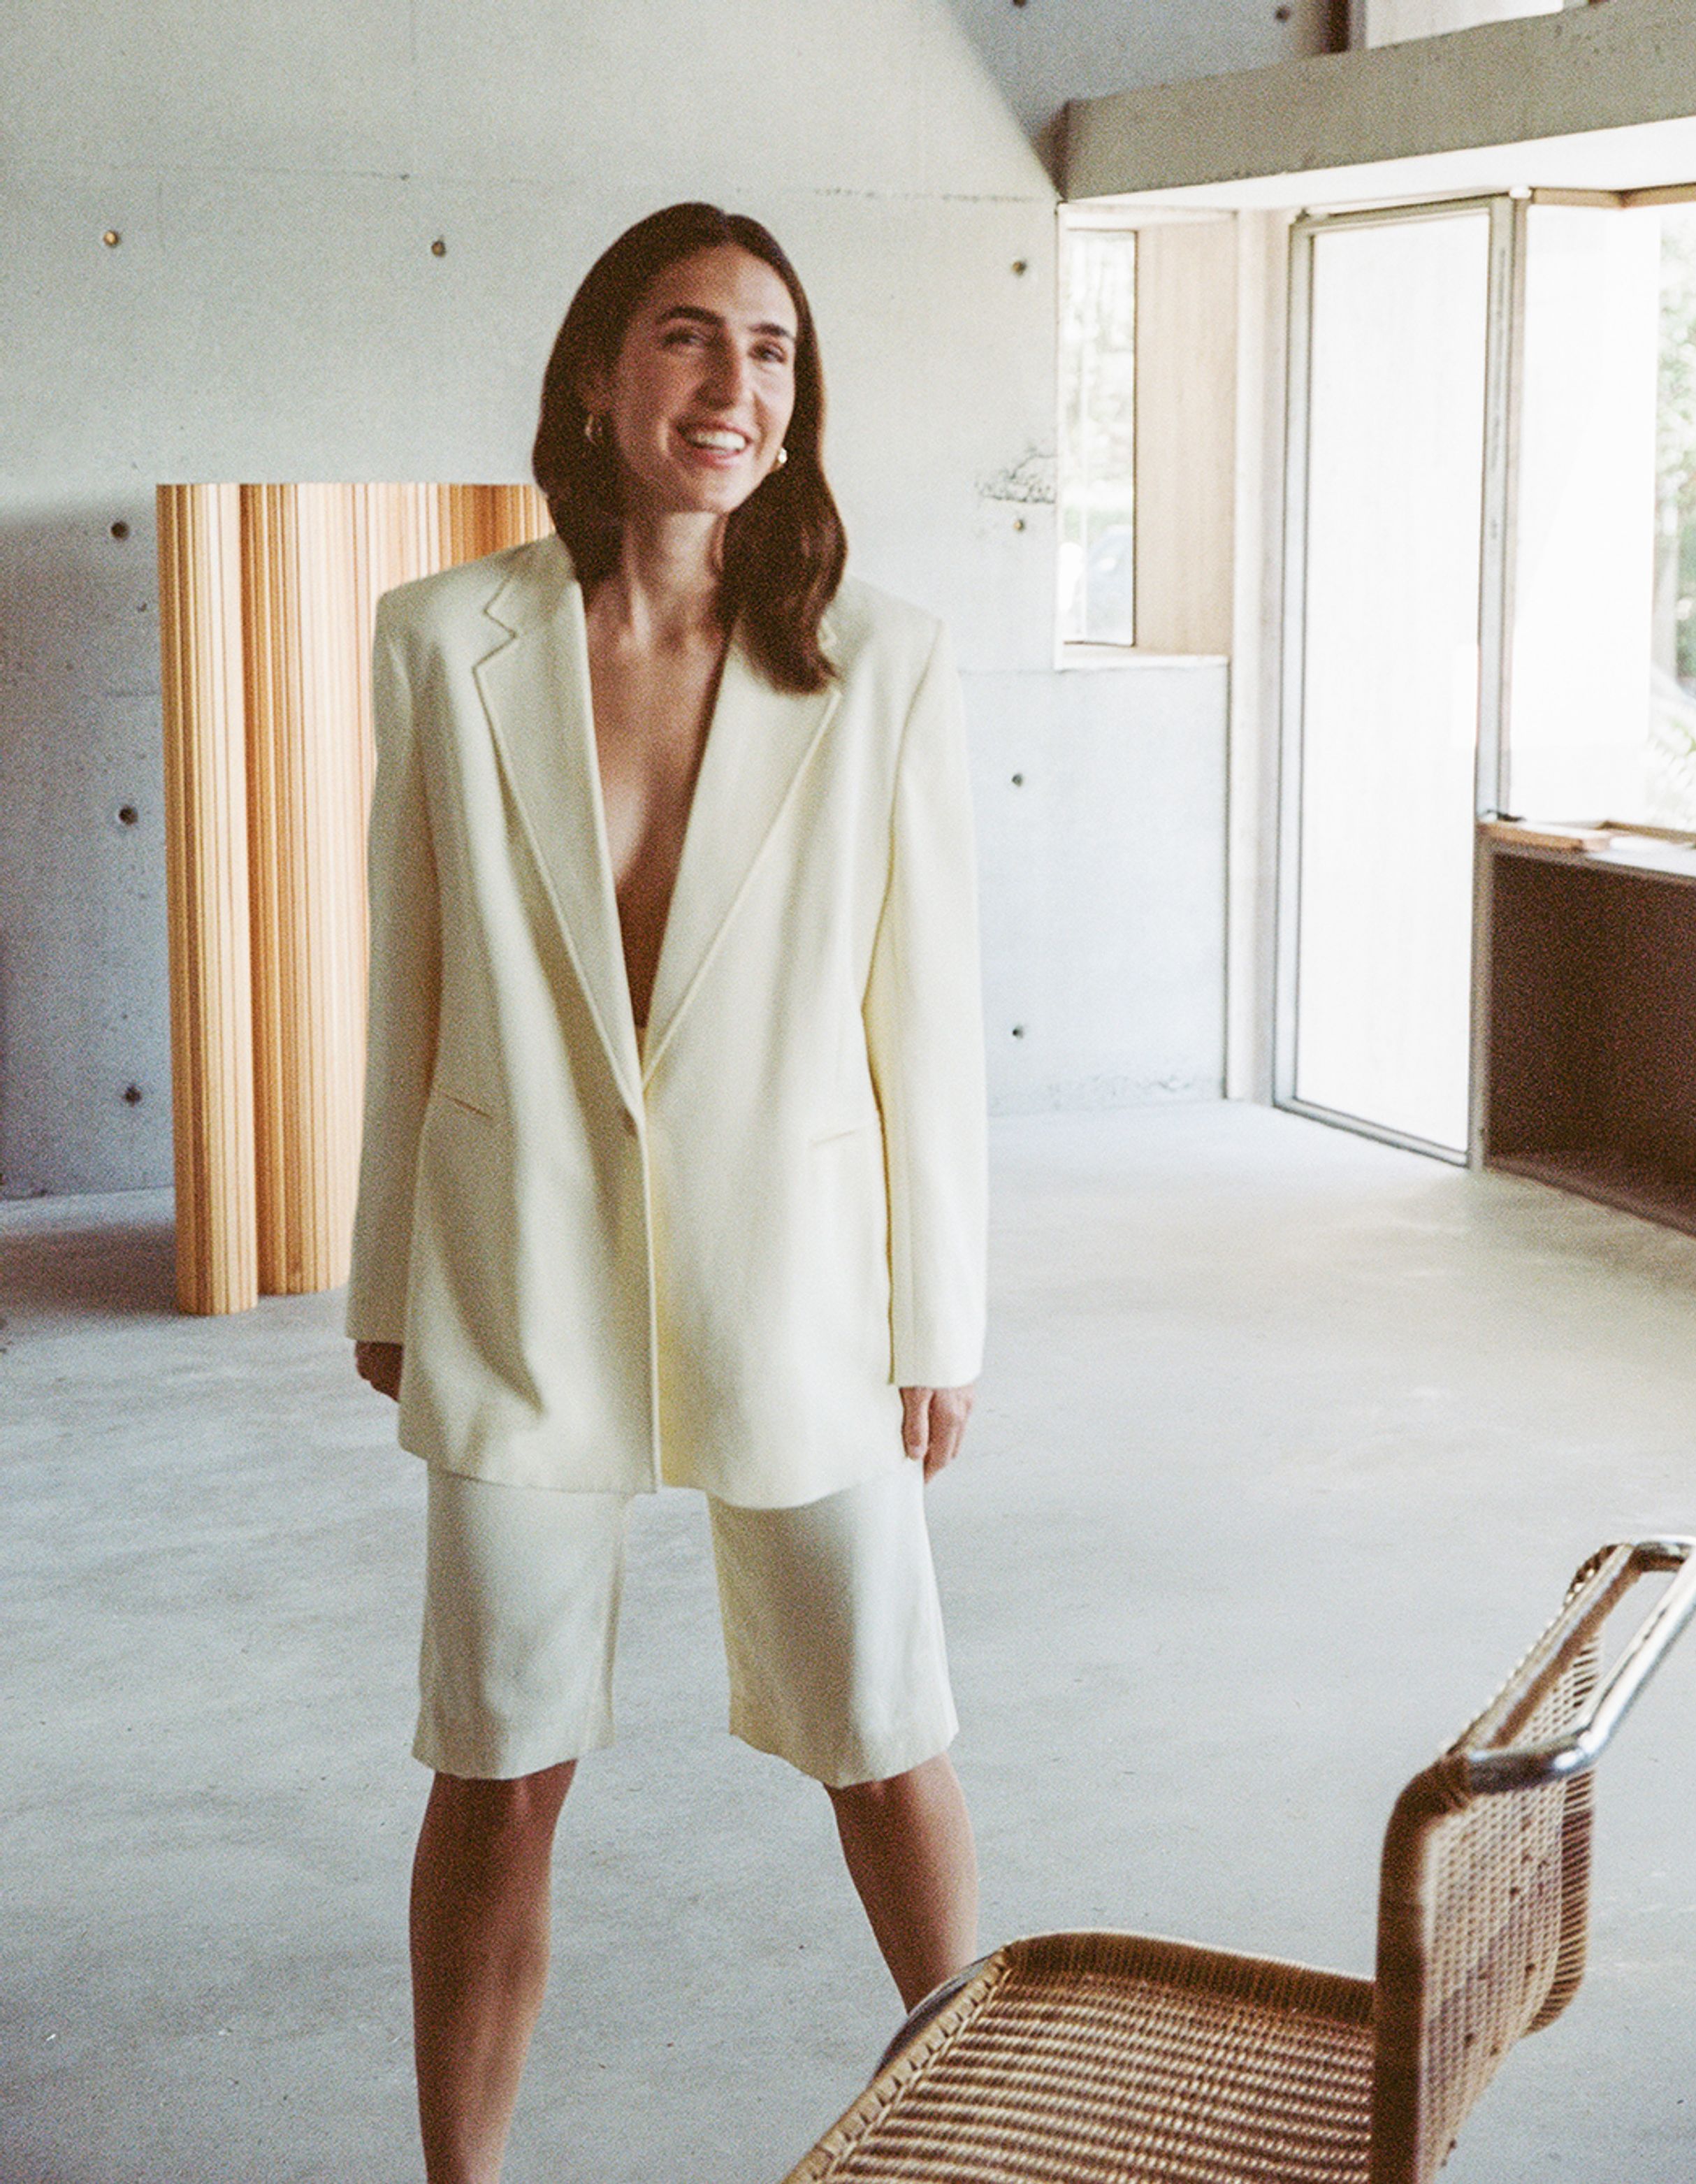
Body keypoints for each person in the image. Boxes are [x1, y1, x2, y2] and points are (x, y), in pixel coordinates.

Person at [345, 202, 987, 2184]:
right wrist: (388, 1271)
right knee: (498, 1764)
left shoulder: (879, 664)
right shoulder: (445, 640)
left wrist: (935, 1319)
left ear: (796, 412)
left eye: (772, 351)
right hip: (515, 1265)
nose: (733, 384)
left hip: (795, 1280)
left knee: (878, 1739)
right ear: (600, 382)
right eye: (689, 339)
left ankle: (971, 2127)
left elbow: (928, 1020)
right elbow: (410, 971)